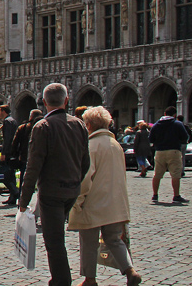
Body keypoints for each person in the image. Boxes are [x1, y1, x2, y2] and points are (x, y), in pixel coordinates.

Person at [18, 83, 90, 286]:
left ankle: (61, 281)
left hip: (51, 193)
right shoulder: (79, 124)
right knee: (56, 238)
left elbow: (33, 167)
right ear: (66, 101)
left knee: (54, 241)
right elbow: (86, 162)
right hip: (72, 190)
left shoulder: (42, 127)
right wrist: (76, 181)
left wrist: (23, 201)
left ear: (43, 102)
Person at [67, 106, 142, 286]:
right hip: (115, 202)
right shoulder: (116, 145)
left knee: (89, 242)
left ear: (89, 124)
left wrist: (78, 200)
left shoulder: (91, 145)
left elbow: (86, 178)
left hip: (94, 202)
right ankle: (130, 271)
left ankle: (90, 279)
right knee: (114, 239)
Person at [149, 105, 189, 204]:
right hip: (174, 150)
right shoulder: (178, 124)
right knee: (175, 174)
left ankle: (155, 195)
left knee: (157, 174)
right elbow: (185, 137)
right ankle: (176, 196)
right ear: (175, 115)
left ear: (165, 114)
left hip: (159, 151)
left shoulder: (156, 125)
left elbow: (150, 139)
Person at [0, 105, 18, 205]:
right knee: (10, 174)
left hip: (9, 152)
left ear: (3, 111)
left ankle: (15, 192)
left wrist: (3, 153)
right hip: (12, 151)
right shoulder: (12, 120)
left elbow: (8, 139)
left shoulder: (7, 121)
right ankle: (13, 196)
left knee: (6, 174)